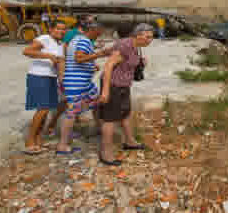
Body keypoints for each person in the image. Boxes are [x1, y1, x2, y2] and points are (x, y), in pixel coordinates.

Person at [98, 23, 154, 166]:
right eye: (147, 37)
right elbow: (109, 66)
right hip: (113, 85)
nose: (150, 40)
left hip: (123, 85)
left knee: (125, 114)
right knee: (110, 120)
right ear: (138, 35)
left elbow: (110, 51)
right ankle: (106, 153)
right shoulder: (126, 45)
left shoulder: (134, 46)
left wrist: (140, 62)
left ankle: (130, 141)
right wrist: (105, 91)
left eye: (151, 37)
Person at [56, 21, 109, 155]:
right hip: (76, 82)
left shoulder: (78, 39)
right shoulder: (84, 41)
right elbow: (79, 58)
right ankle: (62, 145)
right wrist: (100, 54)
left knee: (96, 101)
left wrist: (92, 65)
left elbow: (79, 59)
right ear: (93, 29)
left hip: (83, 82)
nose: (99, 35)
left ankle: (100, 128)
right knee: (72, 112)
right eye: (99, 32)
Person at [44, 14, 97, 136]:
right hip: (68, 71)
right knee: (65, 102)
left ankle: (70, 125)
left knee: (72, 100)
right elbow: (66, 50)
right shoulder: (72, 34)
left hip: (73, 70)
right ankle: (52, 127)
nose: (92, 22)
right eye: (90, 20)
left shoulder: (83, 34)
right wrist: (67, 67)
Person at [22, 20, 66, 155]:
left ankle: (39, 140)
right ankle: (29, 141)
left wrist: (61, 80)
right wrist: (48, 55)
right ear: (51, 29)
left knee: (46, 110)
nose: (61, 31)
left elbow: (59, 63)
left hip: (50, 78)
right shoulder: (44, 38)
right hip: (38, 76)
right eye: (58, 28)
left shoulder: (59, 45)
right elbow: (27, 51)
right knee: (42, 109)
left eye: (64, 29)